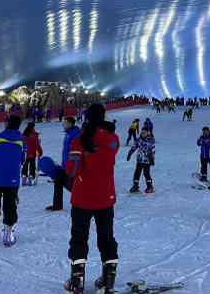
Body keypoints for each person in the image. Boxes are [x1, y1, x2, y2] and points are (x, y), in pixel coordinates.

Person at [64, 103, 119, 294]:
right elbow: (109, 148)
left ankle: (77, 282)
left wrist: (59, 171)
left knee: (79, 238)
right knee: (107, 237)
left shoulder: (80, 140)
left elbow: (72, 169)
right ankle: (108, 281)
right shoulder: (114, 139)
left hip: (83, 198)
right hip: (106, 196)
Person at [0, 115, 25, 247]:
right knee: (10, 205)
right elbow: (23, 159)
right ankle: (8, 234)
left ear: (7, 123)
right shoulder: (22, 139)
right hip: (11, 179)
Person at [45, 117, 80, 211]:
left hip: (72, 166)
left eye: (65, 123)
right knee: (58, 178)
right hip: (65, 164)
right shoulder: (68, 134)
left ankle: (85, 199)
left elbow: (75, 152)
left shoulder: (75, 134)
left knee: (71, 186)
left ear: (70, 124)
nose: (63, 124)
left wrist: (72, 166)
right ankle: (57, 205)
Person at [127, 127, 155, 193]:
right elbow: (134, 147)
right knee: (137, 173)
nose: (142, 134)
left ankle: (150, 186)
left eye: (144, 133)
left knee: (146, 173)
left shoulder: (150, 140)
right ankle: (135, 186)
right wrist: (130, 153)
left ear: (148, 133)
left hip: (147, 161)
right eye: (142, 133)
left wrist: (152, 158)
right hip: (139, 160)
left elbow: (152, 150)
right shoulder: (138, 140)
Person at [21, 122, 43, 186]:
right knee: (32, 165)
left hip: (25, 153)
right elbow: (37, 145)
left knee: (25, 166)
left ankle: (24, 179)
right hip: (32, 153)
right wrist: (40, 152)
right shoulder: (34, 135)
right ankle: (31, 178)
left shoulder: (24, 134)